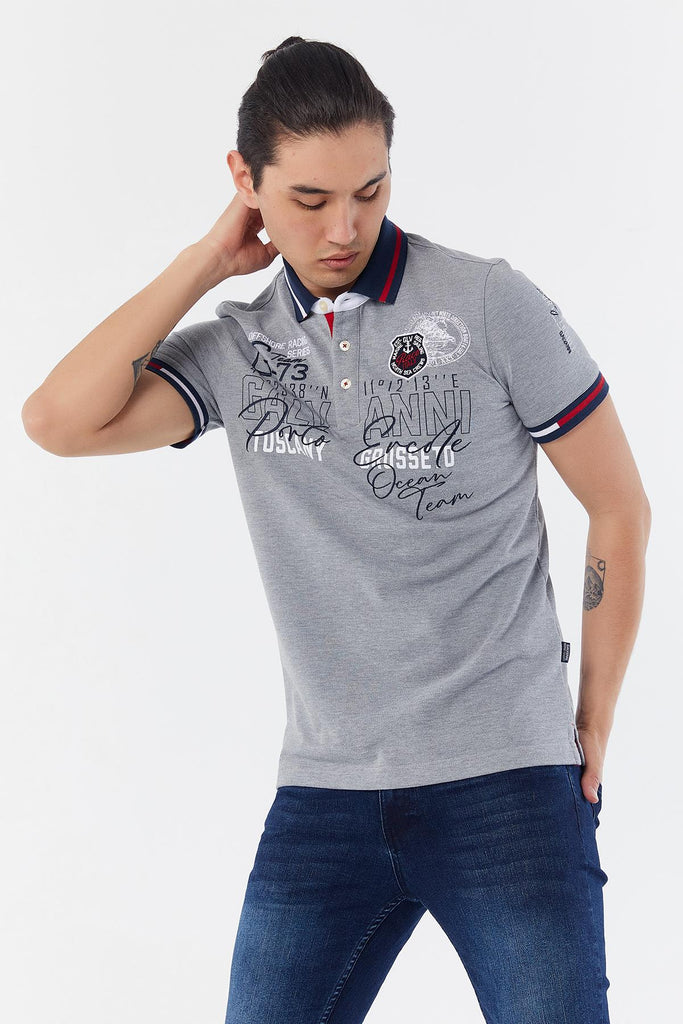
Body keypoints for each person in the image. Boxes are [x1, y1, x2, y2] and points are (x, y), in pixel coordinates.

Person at [22, 35, 651, 1024]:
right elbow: (58, 422)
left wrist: (594, 718)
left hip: (507, 783)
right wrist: (203, 263)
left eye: (369, 189)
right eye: (308, 200)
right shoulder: (238, 349)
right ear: (246, 183)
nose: (344, 227)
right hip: (324, 792)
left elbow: (618, 504)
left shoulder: (489, 303)